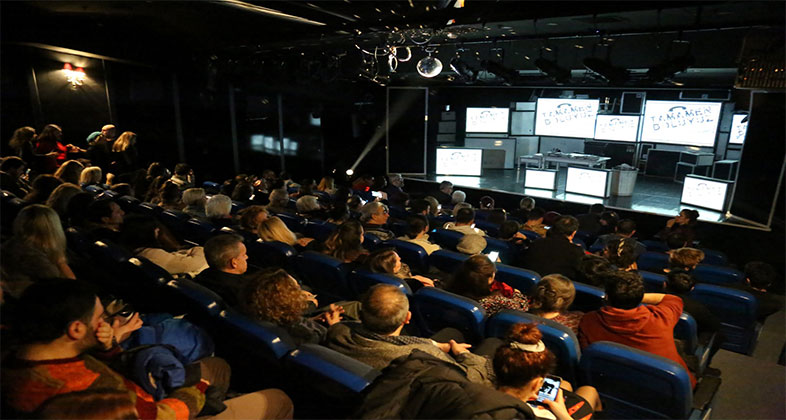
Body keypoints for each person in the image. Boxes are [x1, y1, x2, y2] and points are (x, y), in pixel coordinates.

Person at [1, 279, 294, 419]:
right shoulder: (91, 395)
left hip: (138, 393)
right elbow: (161, 416)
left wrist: (107, 348)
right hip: (155, 410)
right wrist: (197, 390)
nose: (107, 322)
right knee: (279, 399)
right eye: (100, 317)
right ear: (76, 329)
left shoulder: (15, 356)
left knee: (219, 366)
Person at [325, 284, 496, 385]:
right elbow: (472, 379)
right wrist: (464, 354)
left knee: (451, 333)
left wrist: (335, 324)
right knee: (491, 343)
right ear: (407, 318)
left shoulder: (338, 331)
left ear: (361, 314)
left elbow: (341, 330)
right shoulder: (421, 356)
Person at [578, 270, 696, 387]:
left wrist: (621, 296)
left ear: (607, 297)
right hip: (668, 390)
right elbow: (673, 299)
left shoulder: (588, 321)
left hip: (616, 388)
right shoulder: (660, 317)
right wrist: (633, 296)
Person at [494, 323, 600, 420]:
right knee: (589, 390)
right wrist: (564, 416)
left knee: (565, 385)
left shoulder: (484, 399)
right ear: (536, 384)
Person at [244, 268, 345, 345]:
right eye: (297, 289)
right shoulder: (307, 336)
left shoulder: (255, 314)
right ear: (287, 300)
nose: (302, 293)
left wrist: (311, 320)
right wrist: (335, 326)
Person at [0, 204, 76, 298]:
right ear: (53, 228)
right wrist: (61, 262)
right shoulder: (32, 257)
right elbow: (71, 286)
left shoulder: (13, 244)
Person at [120, 214, 208, 277]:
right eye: (156, 230)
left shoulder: (132, 250)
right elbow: (196, 262)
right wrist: (198, 249)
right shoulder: (153, 254)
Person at [448, 255, 529, 316]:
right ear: (489, 279)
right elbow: (523, 308)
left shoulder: (451, 287)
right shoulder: (496, 301)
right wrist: (517, 293)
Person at [195, 234, 249, 307]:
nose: (247, 257)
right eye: (244, 255)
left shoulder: (202, 276)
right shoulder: (243, 291)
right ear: (234, 263)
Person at [367, 248, 436, 289]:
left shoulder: (370, 276)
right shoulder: (412, 283)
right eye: (398, 260)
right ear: (392, 268)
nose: (400, 258)